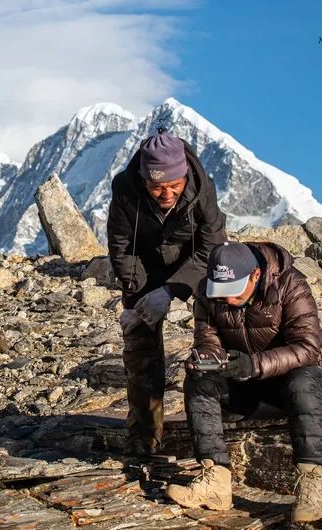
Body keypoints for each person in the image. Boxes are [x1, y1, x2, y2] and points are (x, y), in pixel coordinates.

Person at [165, 241, 322, 524]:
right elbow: (208, 342)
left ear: (256, 275)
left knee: (301, 380)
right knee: (199, 381)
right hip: (253, 388)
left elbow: (308, 349)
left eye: (233, 291)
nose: (227, 300)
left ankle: (310, 485)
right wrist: (205, 361)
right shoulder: (208, 294)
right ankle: (215, 482)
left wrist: (254, 364)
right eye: (220, 292)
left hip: (307, 385)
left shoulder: (290, 285)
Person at [106, 127, 228, 458]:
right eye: (157, 187)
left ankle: (219, 427)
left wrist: (172, 291)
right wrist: (138, 297)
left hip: (194, 265)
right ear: (144, 181)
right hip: (145, 264)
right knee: (140, 342)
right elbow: (121, 247)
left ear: (184, 177)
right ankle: (144, 437)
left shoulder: (202, 190)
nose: (166, 194)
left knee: (215, 331)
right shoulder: (126, 190)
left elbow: (212, 247)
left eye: (174, 186)